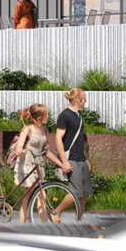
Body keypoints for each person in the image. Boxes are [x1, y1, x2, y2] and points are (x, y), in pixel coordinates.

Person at [8, 103, 54, 224]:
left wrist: (61, 163)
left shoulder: (45, 130)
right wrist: (20, 151)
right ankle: (44, 225)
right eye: (46, 114)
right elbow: (19, 147)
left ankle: (26, 225)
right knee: (39, 194)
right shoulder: (28, 129)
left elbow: (47, 151)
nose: (48, 116)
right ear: (39, 117)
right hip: (27, 163)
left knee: (30, 196)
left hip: (38, 164)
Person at [53, 88, 91, 220]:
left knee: (83, 192)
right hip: (70, 158)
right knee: (76, 191)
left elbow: (79, 139)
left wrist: (85, 159)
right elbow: (58, 138)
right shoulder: (65, 115)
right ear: (78, 99)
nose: (86, 101)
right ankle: (56, 212)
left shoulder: (79, 116)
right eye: (84, 98)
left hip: (80, 159)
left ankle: (79, 220)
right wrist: (64, 161)